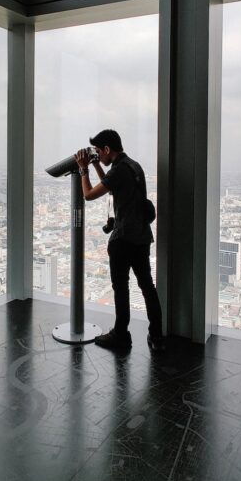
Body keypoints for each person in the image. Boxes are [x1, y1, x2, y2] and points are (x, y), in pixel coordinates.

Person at [74, 129, 165, 352]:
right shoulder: (133, 166)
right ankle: (156, 336)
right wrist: (96, 165)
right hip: (142, 237)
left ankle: (121, 335)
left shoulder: (119, 171)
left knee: (121, 288)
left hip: (123, 238)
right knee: (147, 288)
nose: (97, 155)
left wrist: (83, 168)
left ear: (107, 149)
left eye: (98, 152)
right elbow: (109, 181)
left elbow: (88, 194)